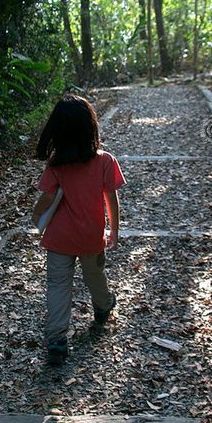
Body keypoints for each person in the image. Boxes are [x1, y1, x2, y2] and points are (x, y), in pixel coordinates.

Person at [31, 94, 125, 366]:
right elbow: (111, 198)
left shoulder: (56, 165)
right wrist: (114, 231)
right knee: (95, 275)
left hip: (60, 240)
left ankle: (58, 339)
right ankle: (104, 305)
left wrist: (37, 215)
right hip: (91, 237)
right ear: (90, 127)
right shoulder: (105, 161)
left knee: (58, 286)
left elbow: (48, 198)